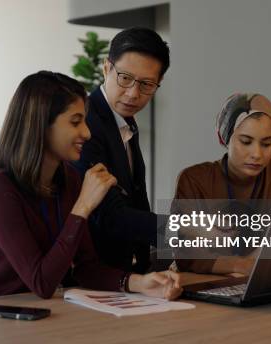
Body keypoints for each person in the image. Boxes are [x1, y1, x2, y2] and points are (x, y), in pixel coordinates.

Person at [0, 71, 182, 301]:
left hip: (35, 311)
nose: (87, 132)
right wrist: (82, 206)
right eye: (75, 122)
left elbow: (86, 268)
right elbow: (42, 283)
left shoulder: (69, 179)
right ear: (41, 124)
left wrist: (139, 283)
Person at [172, 92, 271, 274]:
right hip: (208, 284)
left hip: (268, 281)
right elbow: (185, 254)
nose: (257, 154)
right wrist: (241, 265)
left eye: (267, 144)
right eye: (246, 142)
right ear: (224, 139)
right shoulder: (194, 179)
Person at [73, 27, 170, 274]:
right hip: (92, 276)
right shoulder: (85, 123)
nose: (133, 93)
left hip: (129, 274)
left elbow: (136, 200)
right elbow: (109, 215)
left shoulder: (125, 121)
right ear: (107, 68)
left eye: (147, 84)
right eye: (125, 78)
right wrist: (185, 230)